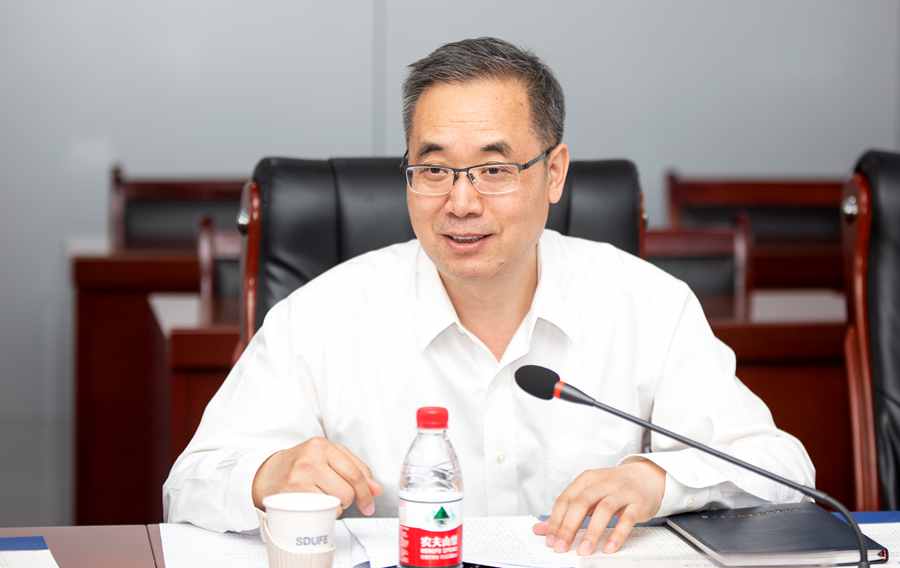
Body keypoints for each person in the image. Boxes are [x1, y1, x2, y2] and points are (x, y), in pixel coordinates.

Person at [164, 37, 814, 556]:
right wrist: (267, 476)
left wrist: (659, 480)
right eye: (433, 169)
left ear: (554, 173)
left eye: (495, 169)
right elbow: (188, 486)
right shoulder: (323, 315)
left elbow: (782, 470)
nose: (461, 202)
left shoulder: (646, 304)